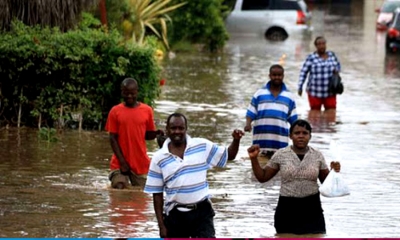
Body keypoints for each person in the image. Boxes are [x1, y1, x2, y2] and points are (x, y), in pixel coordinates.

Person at [144, 112, 244, 238]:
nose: (177, 131)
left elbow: (229, 155)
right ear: (167, 130)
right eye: (173, 128)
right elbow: (157, 194)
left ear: (186, 129)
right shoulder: (159, 158)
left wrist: (236, 140)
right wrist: (161, 226)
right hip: (175, 216)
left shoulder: (202, 146)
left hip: (202, 213)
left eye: (181, 128)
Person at [247, 119, 341, 235]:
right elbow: (263, 177)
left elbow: (326, 184)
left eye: (305, 133)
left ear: (310, 136)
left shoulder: (317, 155)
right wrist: (254, 159)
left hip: (312, 210)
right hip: (287, 210)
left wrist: (334, 173)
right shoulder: (281, 154)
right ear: (290, 136)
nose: (301, 136)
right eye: (297, 133)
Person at [105, 78, 164, 189]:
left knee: (144, 192)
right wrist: (122, 162)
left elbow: (146, 135)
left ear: (137, 92)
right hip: (119, 162)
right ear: (122, 92)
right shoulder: (115, 111)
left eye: (132, 93)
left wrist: (156, 133)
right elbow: (112, 138)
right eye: (126, 93)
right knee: (119, 186)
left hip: (140, 163)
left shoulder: (147, 110)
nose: (129, 96)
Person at [244, 64, 298, 159]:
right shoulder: (259, 94)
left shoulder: (289, 96)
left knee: (280, 171)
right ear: (269, 76)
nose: (277, 77)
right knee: (258, 170)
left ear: (283, 76)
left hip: (281, 144)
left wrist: (296, 135)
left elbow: (294, 120)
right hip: (261, 144)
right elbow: (250, 113)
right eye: (274, 75)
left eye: (279, 75)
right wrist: (248, 124)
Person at [298, 36, 342, 110]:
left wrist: (337, 70)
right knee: (315, 115)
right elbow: (303, 72)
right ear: (316, 46)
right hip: (314, 92)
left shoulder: (332, 55)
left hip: (330, 92)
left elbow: (338, 66)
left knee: (331, 114)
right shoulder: (311, 57)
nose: (322, 46)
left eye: (323, 44)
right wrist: (300, 86)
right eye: (319, 44)